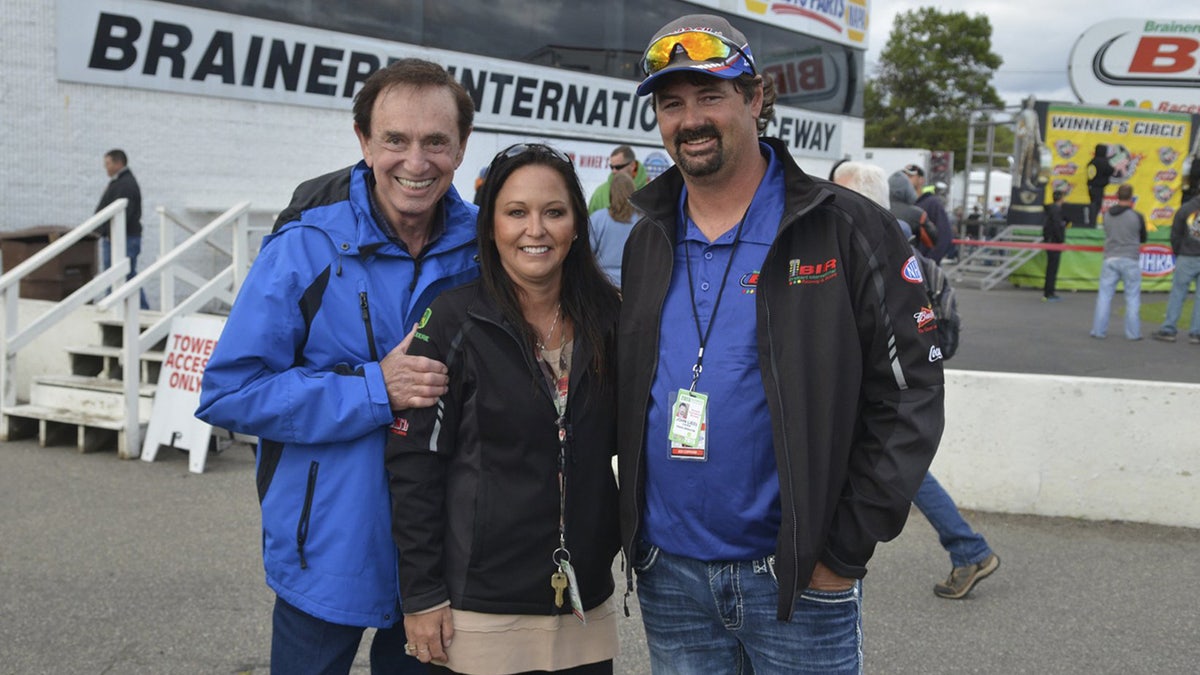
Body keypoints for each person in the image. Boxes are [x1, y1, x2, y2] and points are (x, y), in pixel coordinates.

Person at [617, 15, 945, 674]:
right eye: (671, 103)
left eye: (710, 95)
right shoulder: (646, 236)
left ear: (755, 97)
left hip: (797, 580)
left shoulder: (848, 227)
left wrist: (841, 551)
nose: (691, 119)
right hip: (668, 575)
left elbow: (912, 395)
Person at [195, 58, 480, 675]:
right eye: (395, 140)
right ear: (363, 141)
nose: (416, 161)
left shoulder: (488, 249)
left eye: (436, 141)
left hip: (442, 558)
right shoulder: (306, 246)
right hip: (325, 550)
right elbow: (230, 392)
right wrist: (376, 388)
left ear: (461, 147)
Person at [386, 142, 622, 674]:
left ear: (577, 226)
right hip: (478, 610)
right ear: (490, 228)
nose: (534, 230)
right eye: (516, 213)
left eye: (553, 212)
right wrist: (421, 594)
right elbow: (413, 465)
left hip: (584, 604)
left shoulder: (612, 321)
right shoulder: (451, 321)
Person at [832, 162, 1000, 601]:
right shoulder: (903, 250)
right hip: (902, 389)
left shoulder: (878, 255)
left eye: (839, 194)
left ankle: (969, 549)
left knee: (899, 469)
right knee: (903, 468)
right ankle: (968, 549)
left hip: (883, 391)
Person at [1090, 184, 1146, 341]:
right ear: (1131, 197)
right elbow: (1143, 237)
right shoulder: (1137, 216)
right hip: (1130, 258)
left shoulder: (1107, 215)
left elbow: (1107, 232)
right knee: (1132, 297)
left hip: (1111, 257)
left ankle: (1098, 330)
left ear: (1117, 196)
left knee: (1104, 296)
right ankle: (1133, 333)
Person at [95, 149, 149, 309]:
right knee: (126, 275)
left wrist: (111, 233)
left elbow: (125, 212)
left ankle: (114, 308)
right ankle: (140, 309)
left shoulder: (124, 184)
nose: (106, 167)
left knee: (120, 275)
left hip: (122, 239)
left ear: (119, 163)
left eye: (108, 163)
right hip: (121, 237)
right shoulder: (121, 182)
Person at [1152, 193, 1200, 344]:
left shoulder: (1185, 208)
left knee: (1178, 294)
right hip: (1188, 253)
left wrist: (1179, 252)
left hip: (1186, 255)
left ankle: (1168, 329)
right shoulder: (1186, 209)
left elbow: (1175, 235)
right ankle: (1196, 333)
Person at [589, 172, 639, 287]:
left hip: (602, 284)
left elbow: (586, 252)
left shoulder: (597, 219)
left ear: (611, 193)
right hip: (635, 285)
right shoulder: (643, 220)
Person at [904, 164, 954, 262]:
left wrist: (929, 262)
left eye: (910, 176)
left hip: (924, 265)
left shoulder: (932, 203)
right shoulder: (903, 204)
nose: (906, 180)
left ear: (921, 180)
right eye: (904, 176)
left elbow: (945, 235)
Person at [587, 145, 649, 214]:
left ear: (632, 166)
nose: (614, 171)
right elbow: (590, 222)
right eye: (612, 167)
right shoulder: (600, 193)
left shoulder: (649, 193)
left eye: (618, 167)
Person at [1042, 189, 1071, 302]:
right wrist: (1061, 240)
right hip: (1054, 242)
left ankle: (1049, 292)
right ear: (1061, 198)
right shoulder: (1056, 211)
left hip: (1050, 241)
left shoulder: (1052, 209)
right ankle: (1049, 293)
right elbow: (1057, 226)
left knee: (1051, 268)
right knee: (1052, 269)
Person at [1087, 144, 1114, 227]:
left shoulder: (1093, 161)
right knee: (1097, 206)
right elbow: (1111, 170)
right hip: (1099, 187)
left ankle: (1091, 222)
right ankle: (1092, 223)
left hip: (1091, 187)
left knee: (1092, 205)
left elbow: (1089, 170)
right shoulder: (1104, 161)